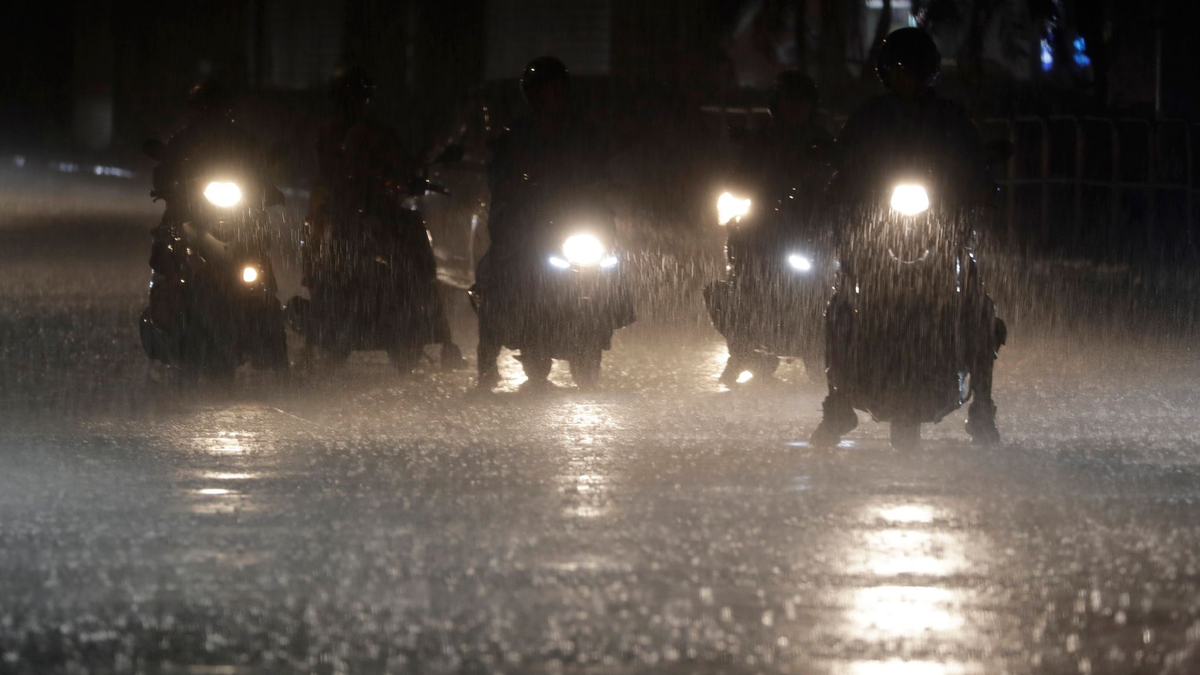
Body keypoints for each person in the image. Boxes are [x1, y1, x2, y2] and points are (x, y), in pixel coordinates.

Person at [809, 27, 1005, 446]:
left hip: (942, 237)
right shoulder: (868, 119)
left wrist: (984, 183)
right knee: (841, 307)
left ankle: (983, 407)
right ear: (886, 72)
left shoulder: (951, 119)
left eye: (916, 69)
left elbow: (976, 166)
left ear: (931, 71)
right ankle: (838, 405)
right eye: (900, 69)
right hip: (876, 239)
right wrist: (835, 185)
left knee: (979, 308)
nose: (909, 78)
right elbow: (841, 167)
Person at [306, 67, 464, 368]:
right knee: (328, 261)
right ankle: (318, 329)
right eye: (347, 98)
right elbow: (331, 172)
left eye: (359, 98)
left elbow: (401, 164)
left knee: (418, 255)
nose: (353, 104)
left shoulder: (380, 132)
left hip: (383, 209)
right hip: (344, 210)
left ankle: (441, 334)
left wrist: (413, 177)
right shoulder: (329, 133)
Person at [476, 56, 612, 388]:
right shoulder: (514, 135)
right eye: (543, 91)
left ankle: (605, 316)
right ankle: (488, 354)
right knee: (500, 265)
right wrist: (516, 182)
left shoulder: (585, 131)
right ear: (531, 95)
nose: (550, 98)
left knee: (609, 260)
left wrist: (609, 186)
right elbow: (498, 174)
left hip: (573, 217)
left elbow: (602, 165)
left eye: (556, 90)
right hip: (529, 218)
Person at [716, 71, 832, 383]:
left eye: (801, 103)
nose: (795, 109)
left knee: (836, 286)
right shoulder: (761, 142)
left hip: (810, 231)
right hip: (764, 231)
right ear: (776, 105)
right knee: (736, 283)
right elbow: (737, 181)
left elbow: (839, 181)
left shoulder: (823, 143)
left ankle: (826, 346)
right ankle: (742, 349)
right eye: (788, 102)